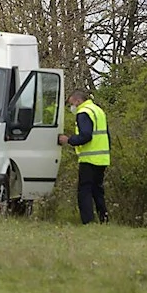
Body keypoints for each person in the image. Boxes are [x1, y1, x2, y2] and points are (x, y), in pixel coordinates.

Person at [57, 89, 110, 224]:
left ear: (78, 101)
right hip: (102, 157)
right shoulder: (97, 110)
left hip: (89, 158)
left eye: (71, 104)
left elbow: (86, 135)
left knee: (84, 190)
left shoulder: (83, 112)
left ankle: (88, 221)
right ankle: (104, 219)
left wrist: (69, 140)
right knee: (97, 190)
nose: (71, 107)